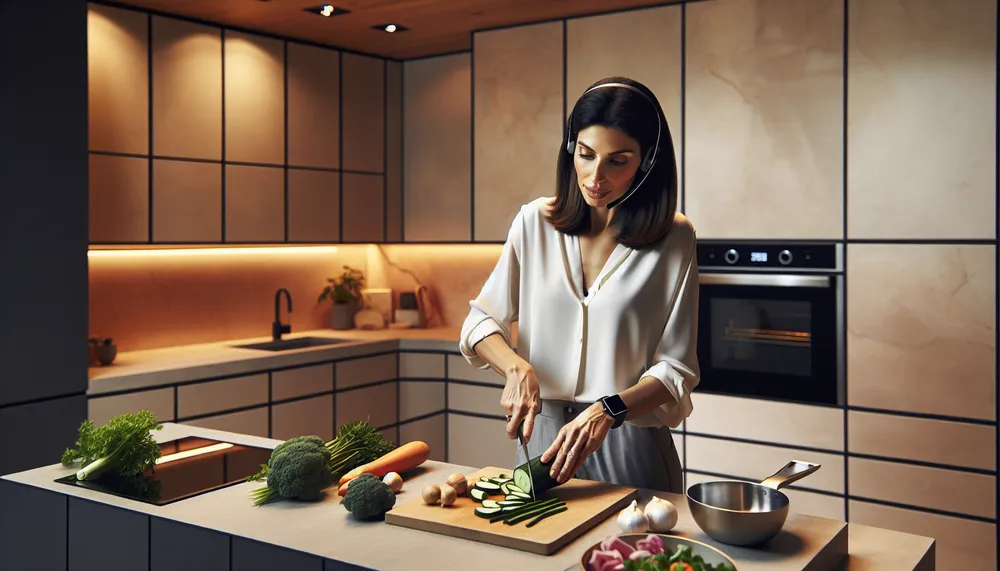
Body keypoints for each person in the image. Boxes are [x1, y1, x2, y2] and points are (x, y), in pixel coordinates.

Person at [458, 76, 699, 495]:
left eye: (618, 161)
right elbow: (481, 322)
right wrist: (515, 366)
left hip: (627, 442)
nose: (595, 177)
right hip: (542, 447)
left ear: (647, 161)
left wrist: (609, 410)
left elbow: (676, 369)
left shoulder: (674, 237)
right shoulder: (534, 222)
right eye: (585, 155)